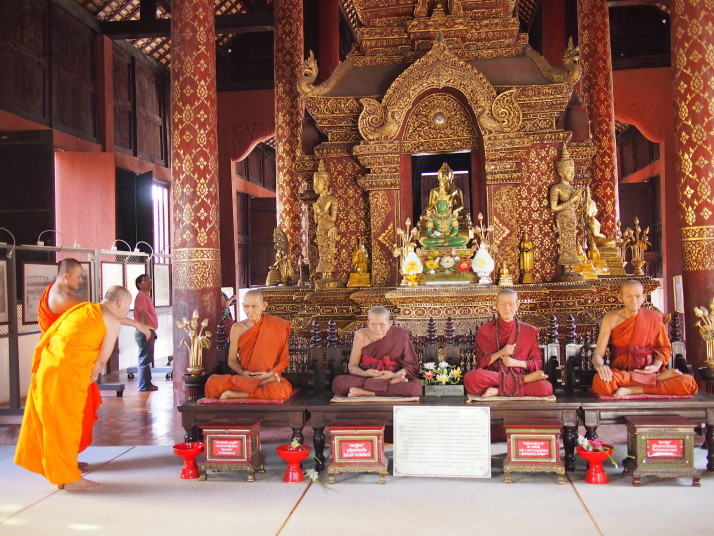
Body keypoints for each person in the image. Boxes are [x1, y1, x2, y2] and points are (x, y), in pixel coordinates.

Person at [15, 286, 132, 491]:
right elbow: (103, 358)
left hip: (48, 370)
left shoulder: (83, 310)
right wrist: (91, 377)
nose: (127, 310)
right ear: (119, 303)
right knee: (66, 426)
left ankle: (62, 473)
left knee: (55, 424)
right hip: (68, 375)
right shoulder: (111, 320)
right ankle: (70, 478)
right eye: (128, 305)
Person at [37, 259, 151, 460]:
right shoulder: (58, 298)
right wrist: (137, 324)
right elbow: (103, 312)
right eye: (78, 276)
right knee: (69, 416)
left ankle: (68, 461)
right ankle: (64, 466)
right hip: (65, 363)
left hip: (67, 361)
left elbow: (103, 312)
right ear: (65, 276)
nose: (81, 281)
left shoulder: (57, 293)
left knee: (74, 414)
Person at [591, 280, 698, 397]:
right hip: (622, 372)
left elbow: (664, 350)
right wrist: (600, 366)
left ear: (643, 297)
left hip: (646, 371)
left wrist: (655, 367)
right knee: (601, 382)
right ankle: (656, 379)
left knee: (688, 383)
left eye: (637, 296)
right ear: (620, 298)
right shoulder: (611, 318)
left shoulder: (654, 318)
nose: (634, 300)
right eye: (629, 296)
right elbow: (598, 354)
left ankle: (635, 389)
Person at [205, 289, 293, 400]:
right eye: (246, 306)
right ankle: (259, 386)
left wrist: (269, 374)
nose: (249, 311)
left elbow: (284, 360)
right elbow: (231, 360)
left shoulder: (276, 326)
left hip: (268, 376)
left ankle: (239, 394)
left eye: (254, 306)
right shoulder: (237, 328)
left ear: (264, 306)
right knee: (211, 384)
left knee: (280, 391)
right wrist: (243, 373)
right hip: (245, 378)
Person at [464, 288, 552, 397]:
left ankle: (497, 391)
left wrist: (515, 363)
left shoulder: (529, 331)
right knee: (470, 378)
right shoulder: (485, 330)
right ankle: (522, 381)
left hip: (514, 374)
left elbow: (537, 364)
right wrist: (501, 352)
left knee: (545, 388)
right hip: (495, 375)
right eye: (503, 304)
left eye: (511, 304)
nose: (507, 308)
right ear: (496, 306)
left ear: (517, 305)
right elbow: (480, 363)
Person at [331, 306, 423, 397]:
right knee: (338, 384)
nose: (377, 329)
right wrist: (365, 373)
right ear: (368, 323)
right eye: (373, 324)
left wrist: (393, 375)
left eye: (382, 325)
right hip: (368, 376)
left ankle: (365, 392)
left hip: (392, 375)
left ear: (389, 324)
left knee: (415, 388)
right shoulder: (361, 335)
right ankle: (389, 384)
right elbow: (352, 366)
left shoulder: (400, 335)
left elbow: (412, 366)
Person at [134, 274, 159, 391]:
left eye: (149, 279)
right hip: (145, 330)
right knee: (144, 359)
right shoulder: (141, 296)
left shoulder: (146, 296)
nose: (149, 281)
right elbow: (142, 314)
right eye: (145, 280)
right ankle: (144, 385)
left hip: (148, 330)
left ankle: (147, 383)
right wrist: (145, 331)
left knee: (147, 358)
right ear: (139, 284)